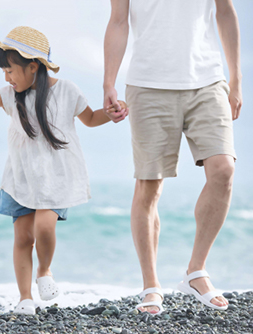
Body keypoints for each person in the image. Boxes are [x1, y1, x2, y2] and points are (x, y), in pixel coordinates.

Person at [0, 26, 128, 314]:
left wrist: (114, 113)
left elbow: (92, 119)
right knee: (22, 238)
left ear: (33, 67)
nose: (6, 77)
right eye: (4, 72)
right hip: (20, 178)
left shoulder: (67, 90)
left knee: (44, 226)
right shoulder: (11, 96)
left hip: (56, 179)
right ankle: (25, 298)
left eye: (10, 71)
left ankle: (44, 270)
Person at [103, 0, 242, 314]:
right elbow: (118, 20)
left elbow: (225, 11)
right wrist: (108, 82)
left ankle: (196, 271)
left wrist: (236, 79)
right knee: (149, 186)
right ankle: (151, 287)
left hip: (207, 80)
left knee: (223, 171)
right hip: (148, 84)